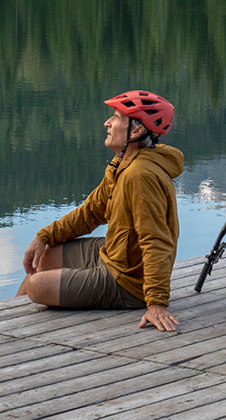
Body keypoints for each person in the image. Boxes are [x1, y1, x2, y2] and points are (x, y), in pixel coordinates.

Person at [17, 89, 184, 332]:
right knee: (42, 256)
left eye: (116, 117)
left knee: (36, 287)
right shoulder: (121, 163)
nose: (107, 122)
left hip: (127, 281)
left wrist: (156, 302)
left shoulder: (140, 176)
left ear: (136, 131)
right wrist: (45, 236)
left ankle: (10, 328)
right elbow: (91, 213)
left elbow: (156, 241)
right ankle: (4, 322)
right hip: (113, 254)